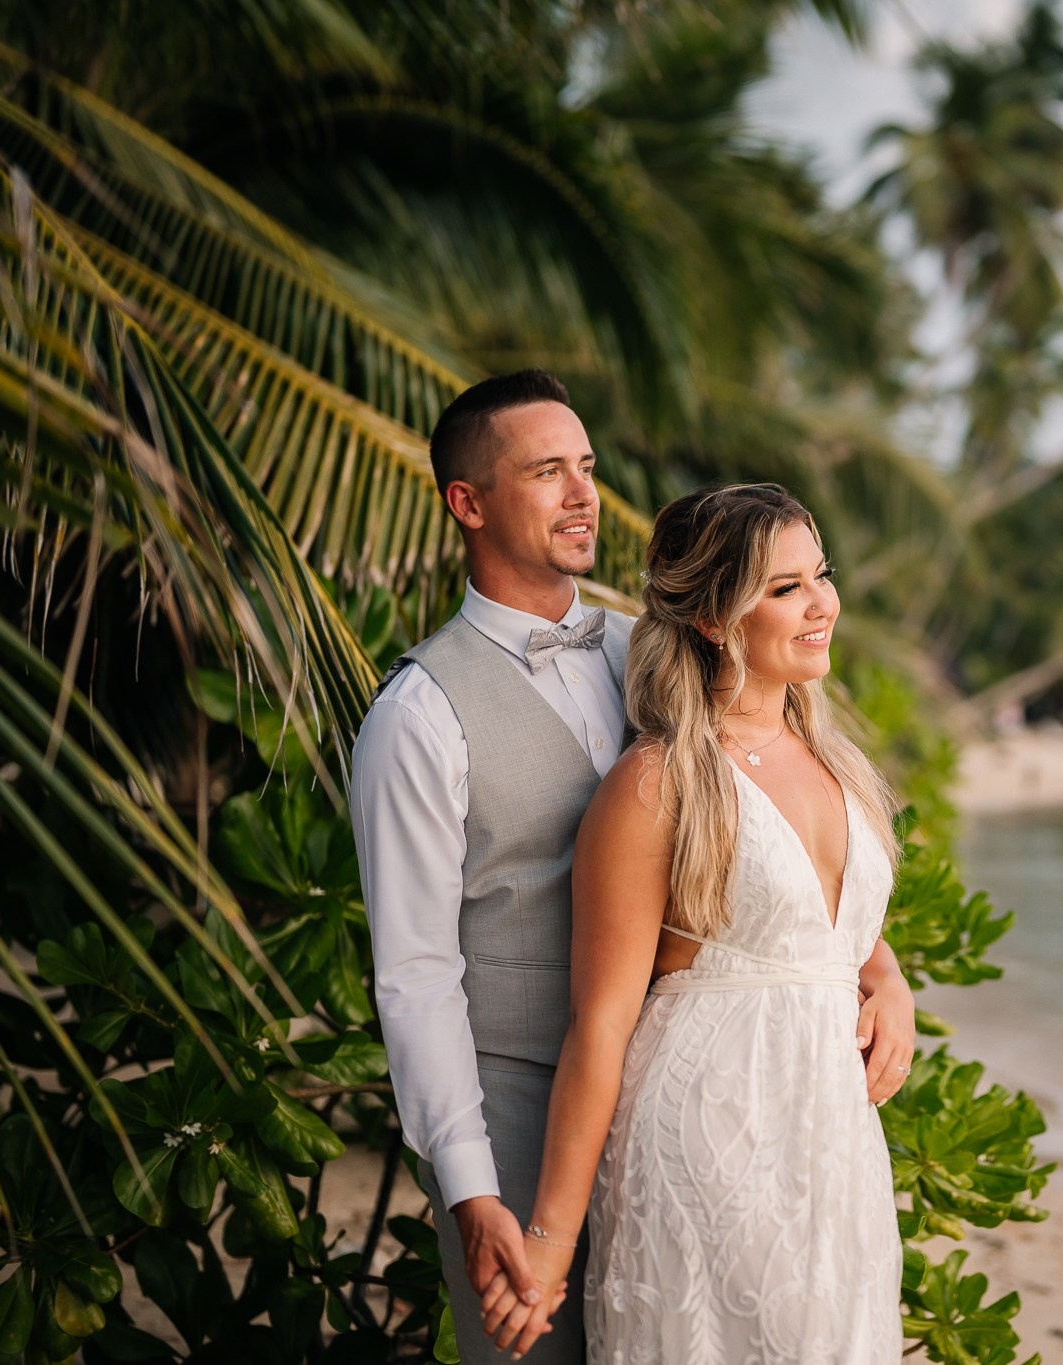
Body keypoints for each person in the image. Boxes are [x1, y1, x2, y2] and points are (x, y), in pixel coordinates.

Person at [479, 483, 917, 1363]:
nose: (822, 603)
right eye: (785, 587)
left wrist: (886, 976)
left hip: (835, 1147)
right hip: (710, 1135)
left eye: (821, 574)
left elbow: (821, 923)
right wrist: (551, 1239)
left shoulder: (835, 760)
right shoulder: (660, 782)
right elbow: (600, 1023)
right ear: (715, 618)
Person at [351, 369, 628, 1363]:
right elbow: (416, 973)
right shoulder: (417, 716)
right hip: (515, 1112)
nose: (583, 494)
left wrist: (875, 964)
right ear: (467, 503)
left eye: (585, 467)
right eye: (548, 472)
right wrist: (469, 1190)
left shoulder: (651, 653)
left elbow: (766, 823)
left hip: (669, 1099)